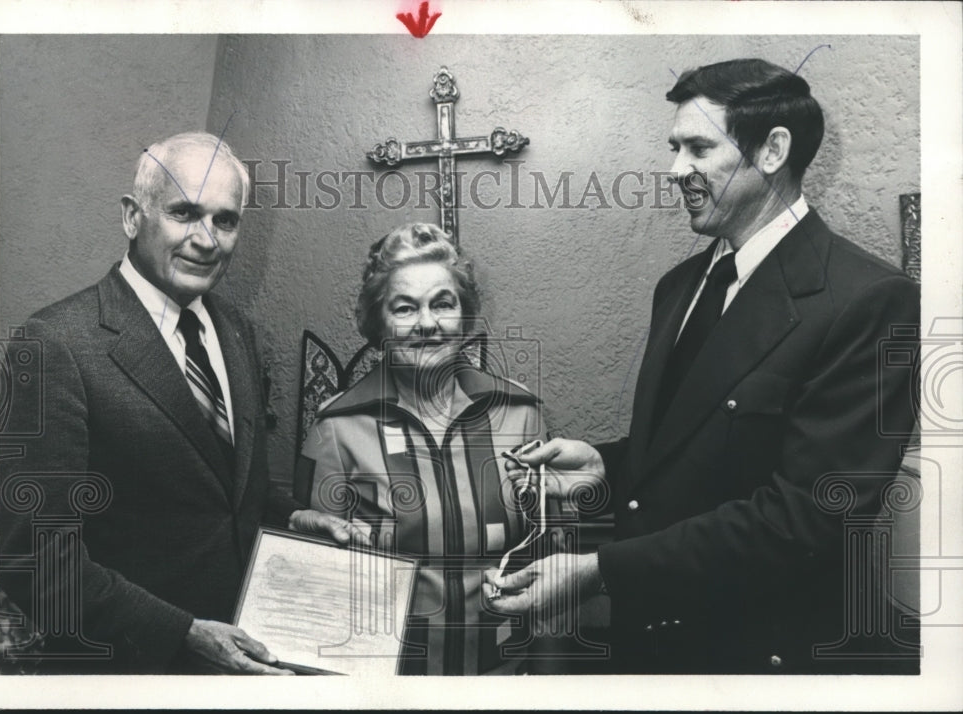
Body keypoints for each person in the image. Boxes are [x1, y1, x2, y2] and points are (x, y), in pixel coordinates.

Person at [485, 58, 920, 674]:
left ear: (772, 150)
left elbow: (807, 517)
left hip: (765, 660)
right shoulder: (681, 285)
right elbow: (700, 450)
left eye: (698, 148)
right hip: (657, 651)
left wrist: (599, 572)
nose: (675, 170)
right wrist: (606, 463)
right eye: (674, 148)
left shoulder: (869, 298)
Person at [0, 132, 299, 674]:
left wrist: (296, 517)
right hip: (126, 669)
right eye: (184, 213)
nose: (207, 239)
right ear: (133, 217)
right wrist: (183, 632)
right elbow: (35, 562)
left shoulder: (238, 332)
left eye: (225, 220)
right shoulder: (54, 343)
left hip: (240, 661)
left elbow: (221, 486)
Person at [291, 223, 551, 675]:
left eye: (443, 304)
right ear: (379, 323)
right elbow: (318, 587)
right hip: (384, 687)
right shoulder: (336, 426)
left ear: (465, 316)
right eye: (405, 308)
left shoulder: (520, 414)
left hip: (504, 680)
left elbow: (551, 562)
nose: (427, 323)